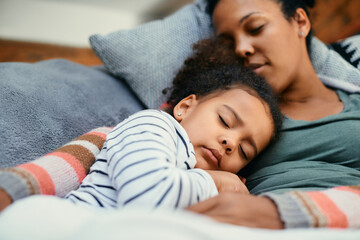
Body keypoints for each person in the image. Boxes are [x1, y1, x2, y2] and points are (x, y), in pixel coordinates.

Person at [0, 37, 282, 211]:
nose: (231, 142)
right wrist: (215, 182)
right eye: (225, 120)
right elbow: (148, 196)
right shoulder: (155, 126)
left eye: (245, 151)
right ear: (185, 107)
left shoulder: (191, 182)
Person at [187, 0, 360, 229]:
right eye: (228, 44)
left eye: (255, 27)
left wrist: (285, 211)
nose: (241, 48)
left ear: (300, 21)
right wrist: (211, 179)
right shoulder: (213, 105)